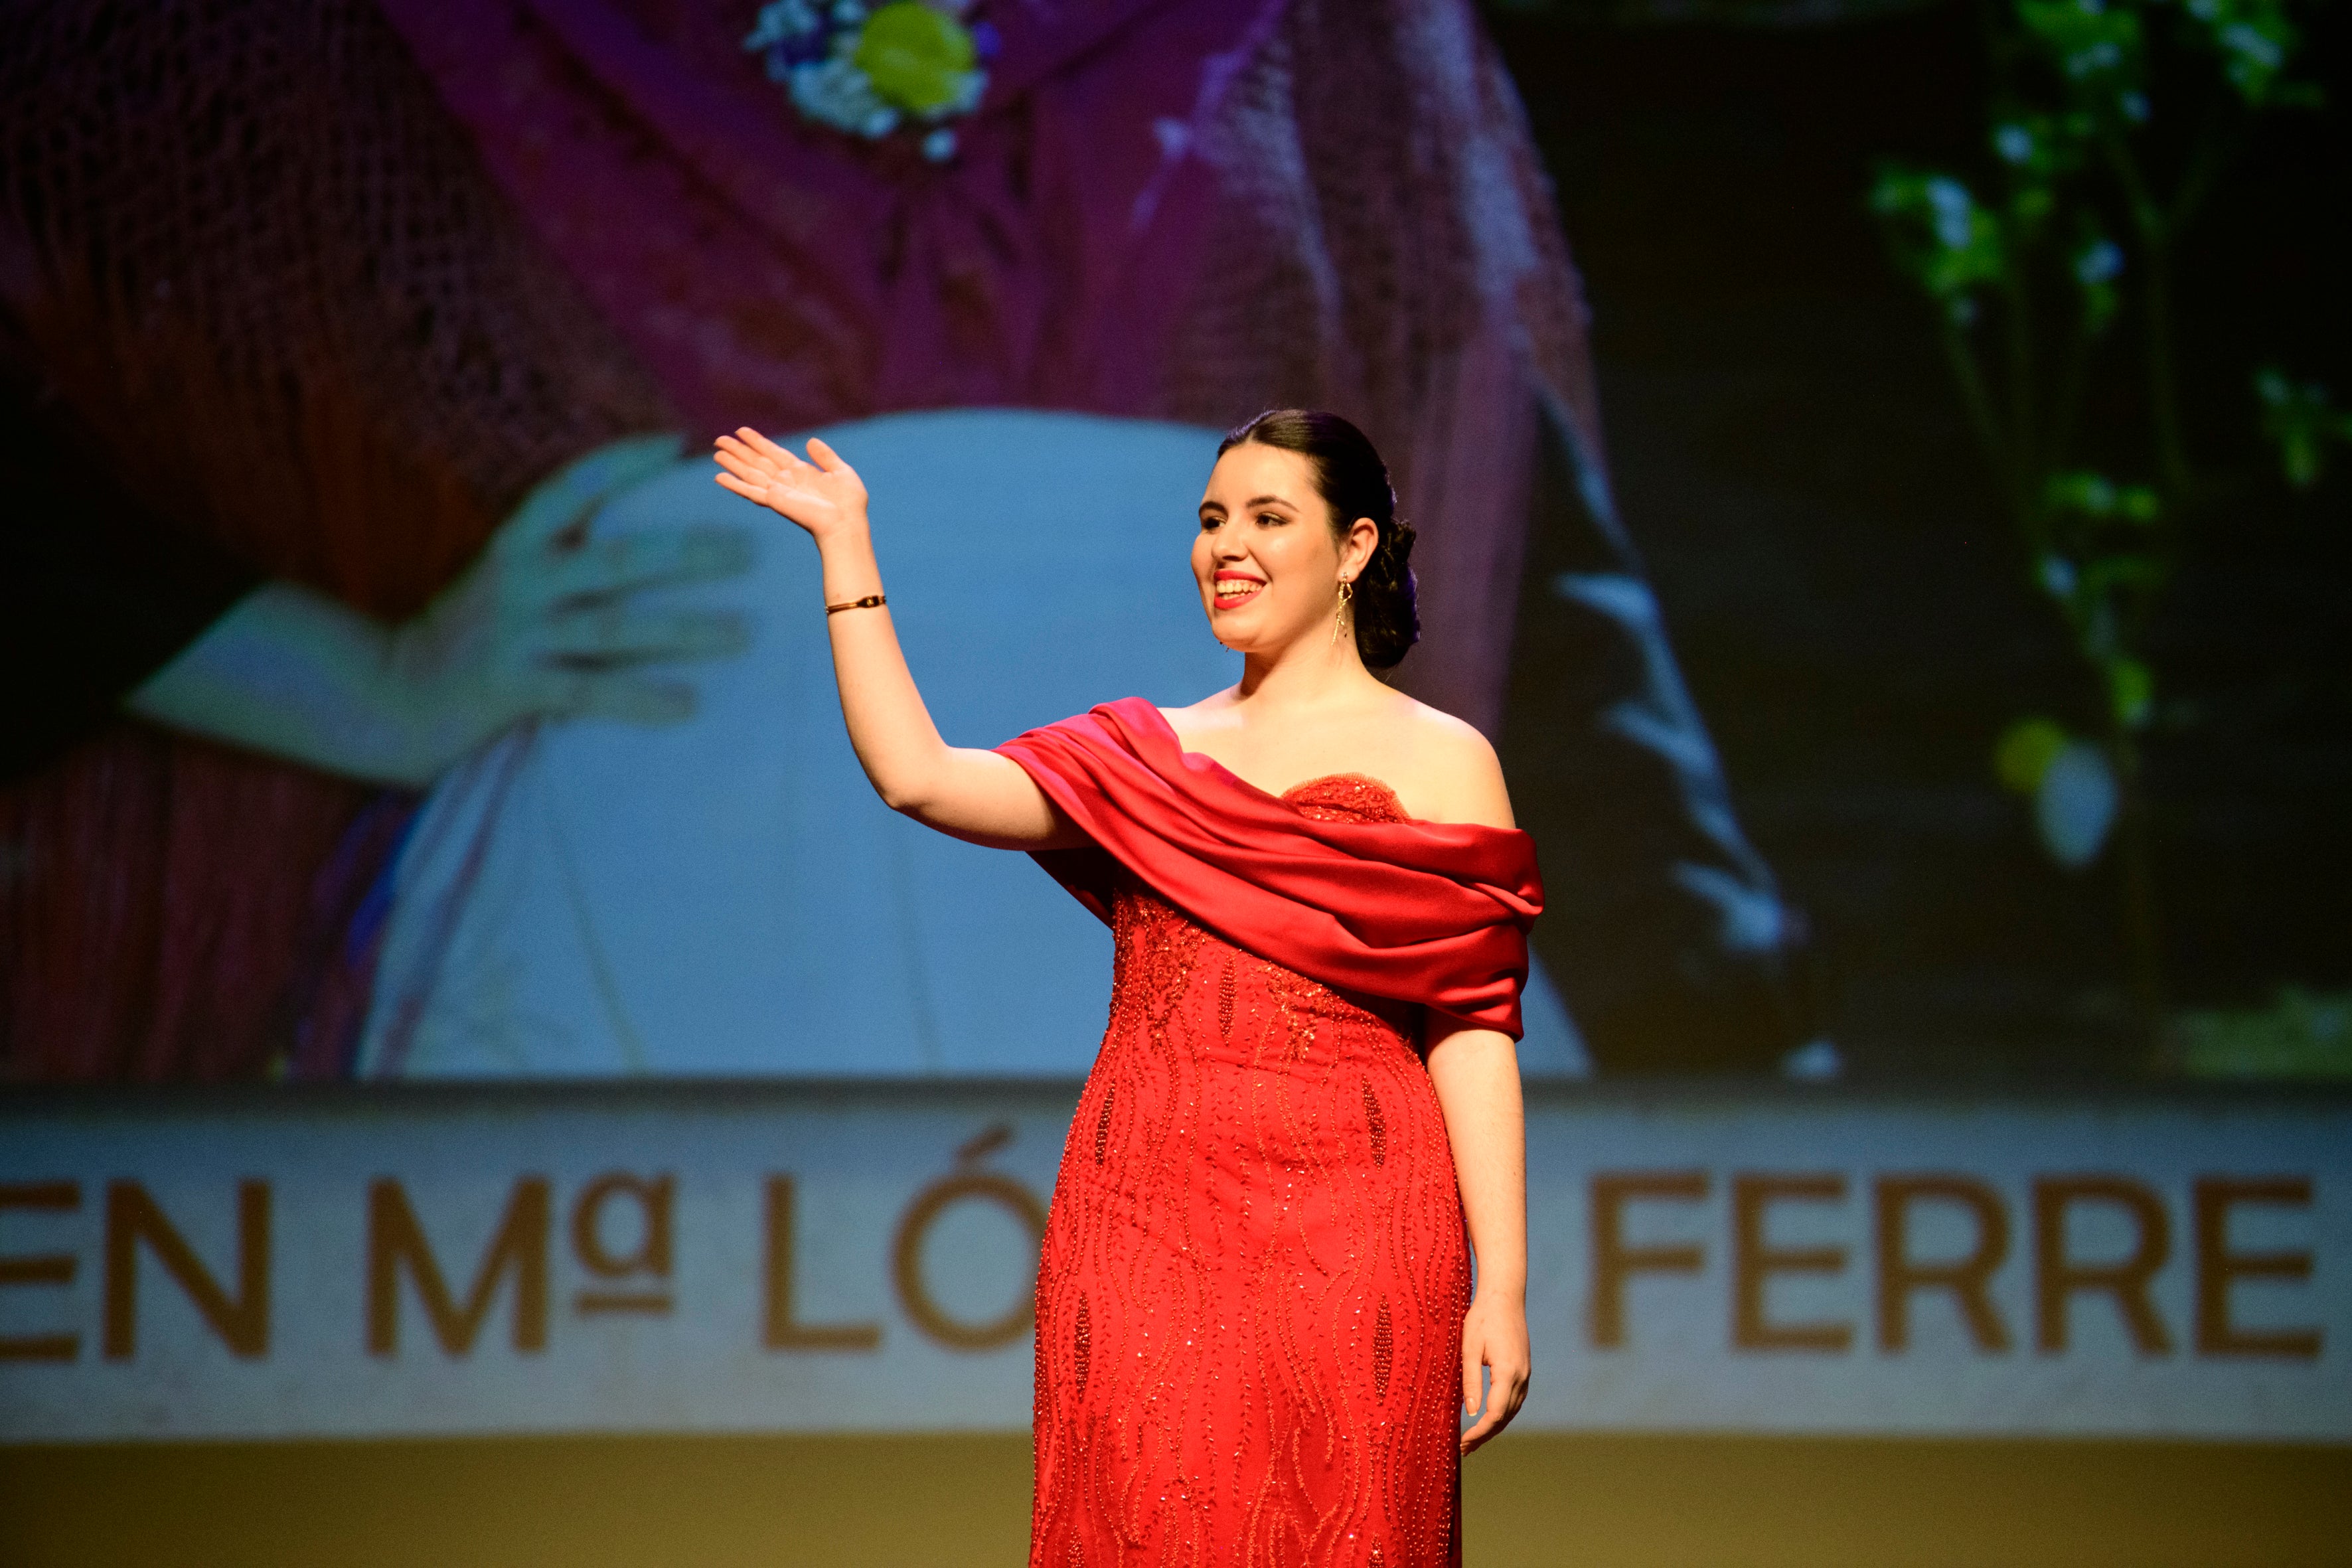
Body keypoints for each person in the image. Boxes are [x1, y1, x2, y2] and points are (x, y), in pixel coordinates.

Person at [716, 408, 1537, 1563]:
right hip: (1147, 1224)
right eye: (1211, 520)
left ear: (1355, 548)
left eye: (1267, 517)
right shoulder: (1144, 758)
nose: (1226, 546)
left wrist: (1499, 1281)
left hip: (1365, 1231)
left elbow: (1472, 1025)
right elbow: (919, 777)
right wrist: (845, 545)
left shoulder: (1445, 758)